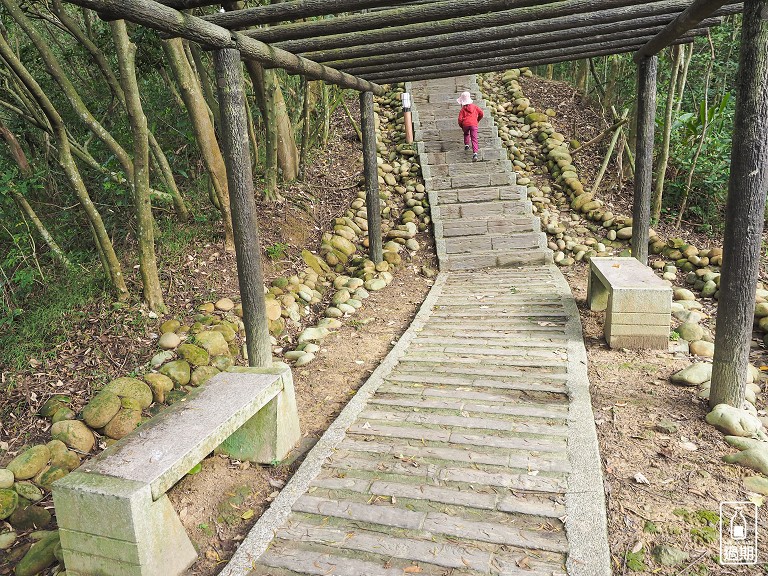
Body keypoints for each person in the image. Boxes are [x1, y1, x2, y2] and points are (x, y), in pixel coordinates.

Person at [457, 91, 484, 162]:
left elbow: (460, 119)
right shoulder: (475, 107)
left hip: (465, 124)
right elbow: (481, 113)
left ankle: (466, 145)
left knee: (466, 133)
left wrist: (461, 126)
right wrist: (477, 120)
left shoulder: (462, 109)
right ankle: (475, 153)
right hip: (474, 124)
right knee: (474, 138)